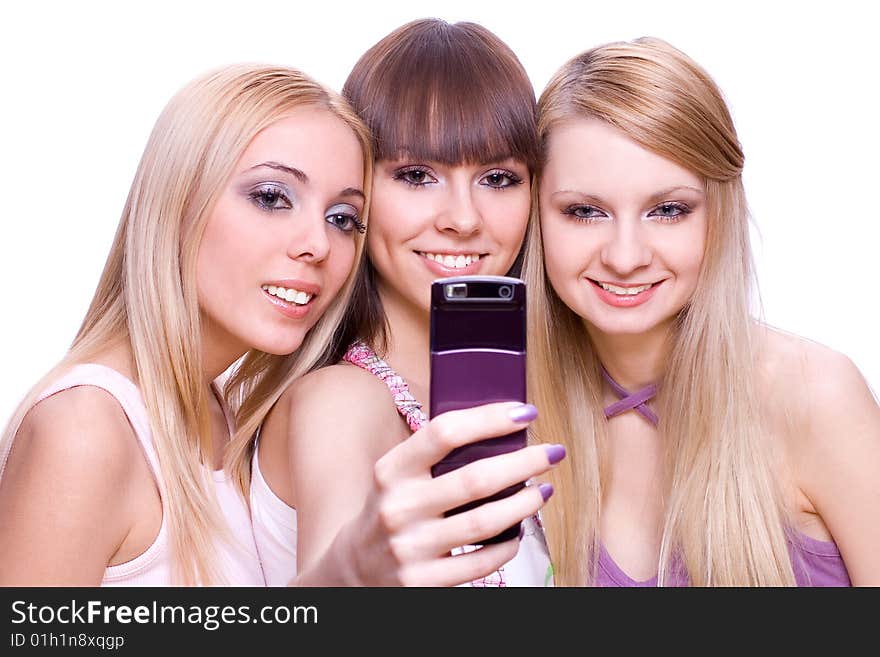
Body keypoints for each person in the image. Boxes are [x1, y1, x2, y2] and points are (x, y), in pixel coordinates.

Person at [0, 62, 554, 587]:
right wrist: (343, 577)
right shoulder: (84, 429)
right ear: (177, 199)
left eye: (342, 218)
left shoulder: (228, 412)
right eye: (271, 197)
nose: (317, 245)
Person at [523, 36, 880, 586]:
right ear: (536, 218)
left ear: (719, 212)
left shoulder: (815, 395)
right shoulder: (512, 413)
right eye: (584, 212)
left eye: (668, 210)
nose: (625, 257)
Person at [253, 18, 562, 586]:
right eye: (417, 175)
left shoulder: (542, 397)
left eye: (497, 178)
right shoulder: (342, 403)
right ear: (359, 189)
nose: (463, 219)